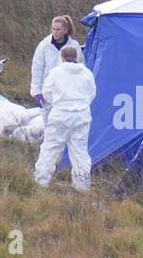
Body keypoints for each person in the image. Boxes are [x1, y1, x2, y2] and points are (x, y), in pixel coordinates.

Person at [34, 46, 97, 193]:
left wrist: (58, 101)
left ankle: (41, 182)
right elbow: (92, 93)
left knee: (50, 149)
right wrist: (81, 104)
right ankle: (82, 187)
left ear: (61, 57)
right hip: (81, 115)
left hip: (60, 114)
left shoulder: (56, 72)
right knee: (80, 152)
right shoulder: (87, 73)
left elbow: (46, 92)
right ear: (77, 57)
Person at [30, 15, 83, 117]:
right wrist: (36, 91)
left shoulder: (74, 46)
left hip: (67, 93)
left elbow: (80, 69)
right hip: (48, 92)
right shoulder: (44, 45)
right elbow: (37, 68)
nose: (55, 32)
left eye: (58, 29)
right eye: (53, 29)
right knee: (49, 124)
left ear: (66, 30)